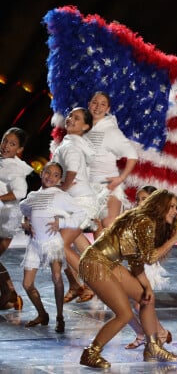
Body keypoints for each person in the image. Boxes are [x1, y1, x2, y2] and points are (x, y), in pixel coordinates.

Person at [77, 189, 177, 368]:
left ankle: (152, 347)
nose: (175, 211)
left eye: (176, 207)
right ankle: (91, 352)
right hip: (95, 263)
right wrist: (172, 241)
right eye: (171, 206)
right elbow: (149, 257)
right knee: (124, 314)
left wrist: (147, 286)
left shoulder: (143, 220)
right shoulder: (145, 221)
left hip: (109, 263)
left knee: (146, 297)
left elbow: (136, 260)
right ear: (160, 205)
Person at [19, 162, 87, 333]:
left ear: (59, 179)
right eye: (48, 172)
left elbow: (81, 213)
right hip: (34, 244)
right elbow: (23, 210)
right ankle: (42, 314)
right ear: (41, 173)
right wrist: (24, 222)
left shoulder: (60, 195)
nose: (51, 176)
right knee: (27, 284)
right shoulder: (33, 195)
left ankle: (60, 317)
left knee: (57, 278)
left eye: (56, 175)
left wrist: (62, 222)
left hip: (52, 244)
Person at [51, 107, 97, 303]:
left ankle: (95, 282)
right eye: (70, 115)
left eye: (77, 118)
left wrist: (61, 189)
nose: (70, 119)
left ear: (85, 126)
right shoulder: (74, 143)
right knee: (75, 244)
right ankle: (79, 285)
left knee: (58, 244)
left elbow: (71, 172)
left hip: (78, 203)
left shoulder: (71, 146)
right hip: (75, 202)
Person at [124, 185, 172, 350]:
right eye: (138, 199)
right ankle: (147, 333)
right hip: (135, 265)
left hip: (147, 267)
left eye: (144, 199)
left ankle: (158, 332)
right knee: (124, 304)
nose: (139, 202)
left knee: (140, 304)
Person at [85, 91, 138, 235]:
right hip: (89, 187)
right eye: (95, 102)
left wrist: (121, 178)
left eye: (103, 104)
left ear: (108, 109)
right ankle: (102, 258)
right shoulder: (82, 128)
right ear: (89, 104)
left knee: (108, 223)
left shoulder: (111, 130)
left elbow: (132, 155)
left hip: (108, 185)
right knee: (97, 231)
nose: (97, 107)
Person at [0, 127, 33, 310]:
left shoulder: (15, 168)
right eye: (5, 140)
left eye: (12, 144)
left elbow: (20, 192)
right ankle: (9, 295)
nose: (6, 146)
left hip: (6, 219)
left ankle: (10, 294)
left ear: (19, 149)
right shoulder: (2, 162)